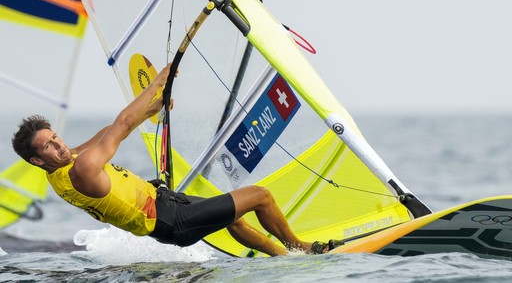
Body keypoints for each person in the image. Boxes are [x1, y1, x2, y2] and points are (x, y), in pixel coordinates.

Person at [12, 63, 342, 256]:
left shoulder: (61, 170)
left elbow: (102, 135)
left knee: (235, 220)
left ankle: (282, 260)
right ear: (37, 161)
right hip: (172, 221)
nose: (60, 147)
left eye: (56, 137)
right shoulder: (83, 169)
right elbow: (122, 124)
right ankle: (301, 249)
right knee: (260, 196)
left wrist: (154, 109)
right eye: (49, 148)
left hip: (166, 208)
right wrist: (159, 82)